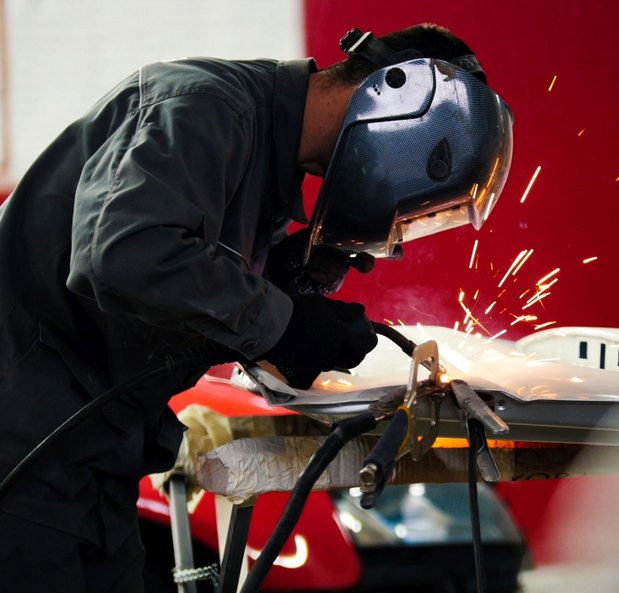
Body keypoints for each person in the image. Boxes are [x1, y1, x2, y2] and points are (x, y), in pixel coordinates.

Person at [0, 23, 513, 592]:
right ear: (398, 103)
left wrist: (281, 281)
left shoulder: (267, 158)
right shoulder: (204, 109)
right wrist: (283, 325)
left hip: (94, 461)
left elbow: (177, 291)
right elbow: (121, 256)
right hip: (23, 446)